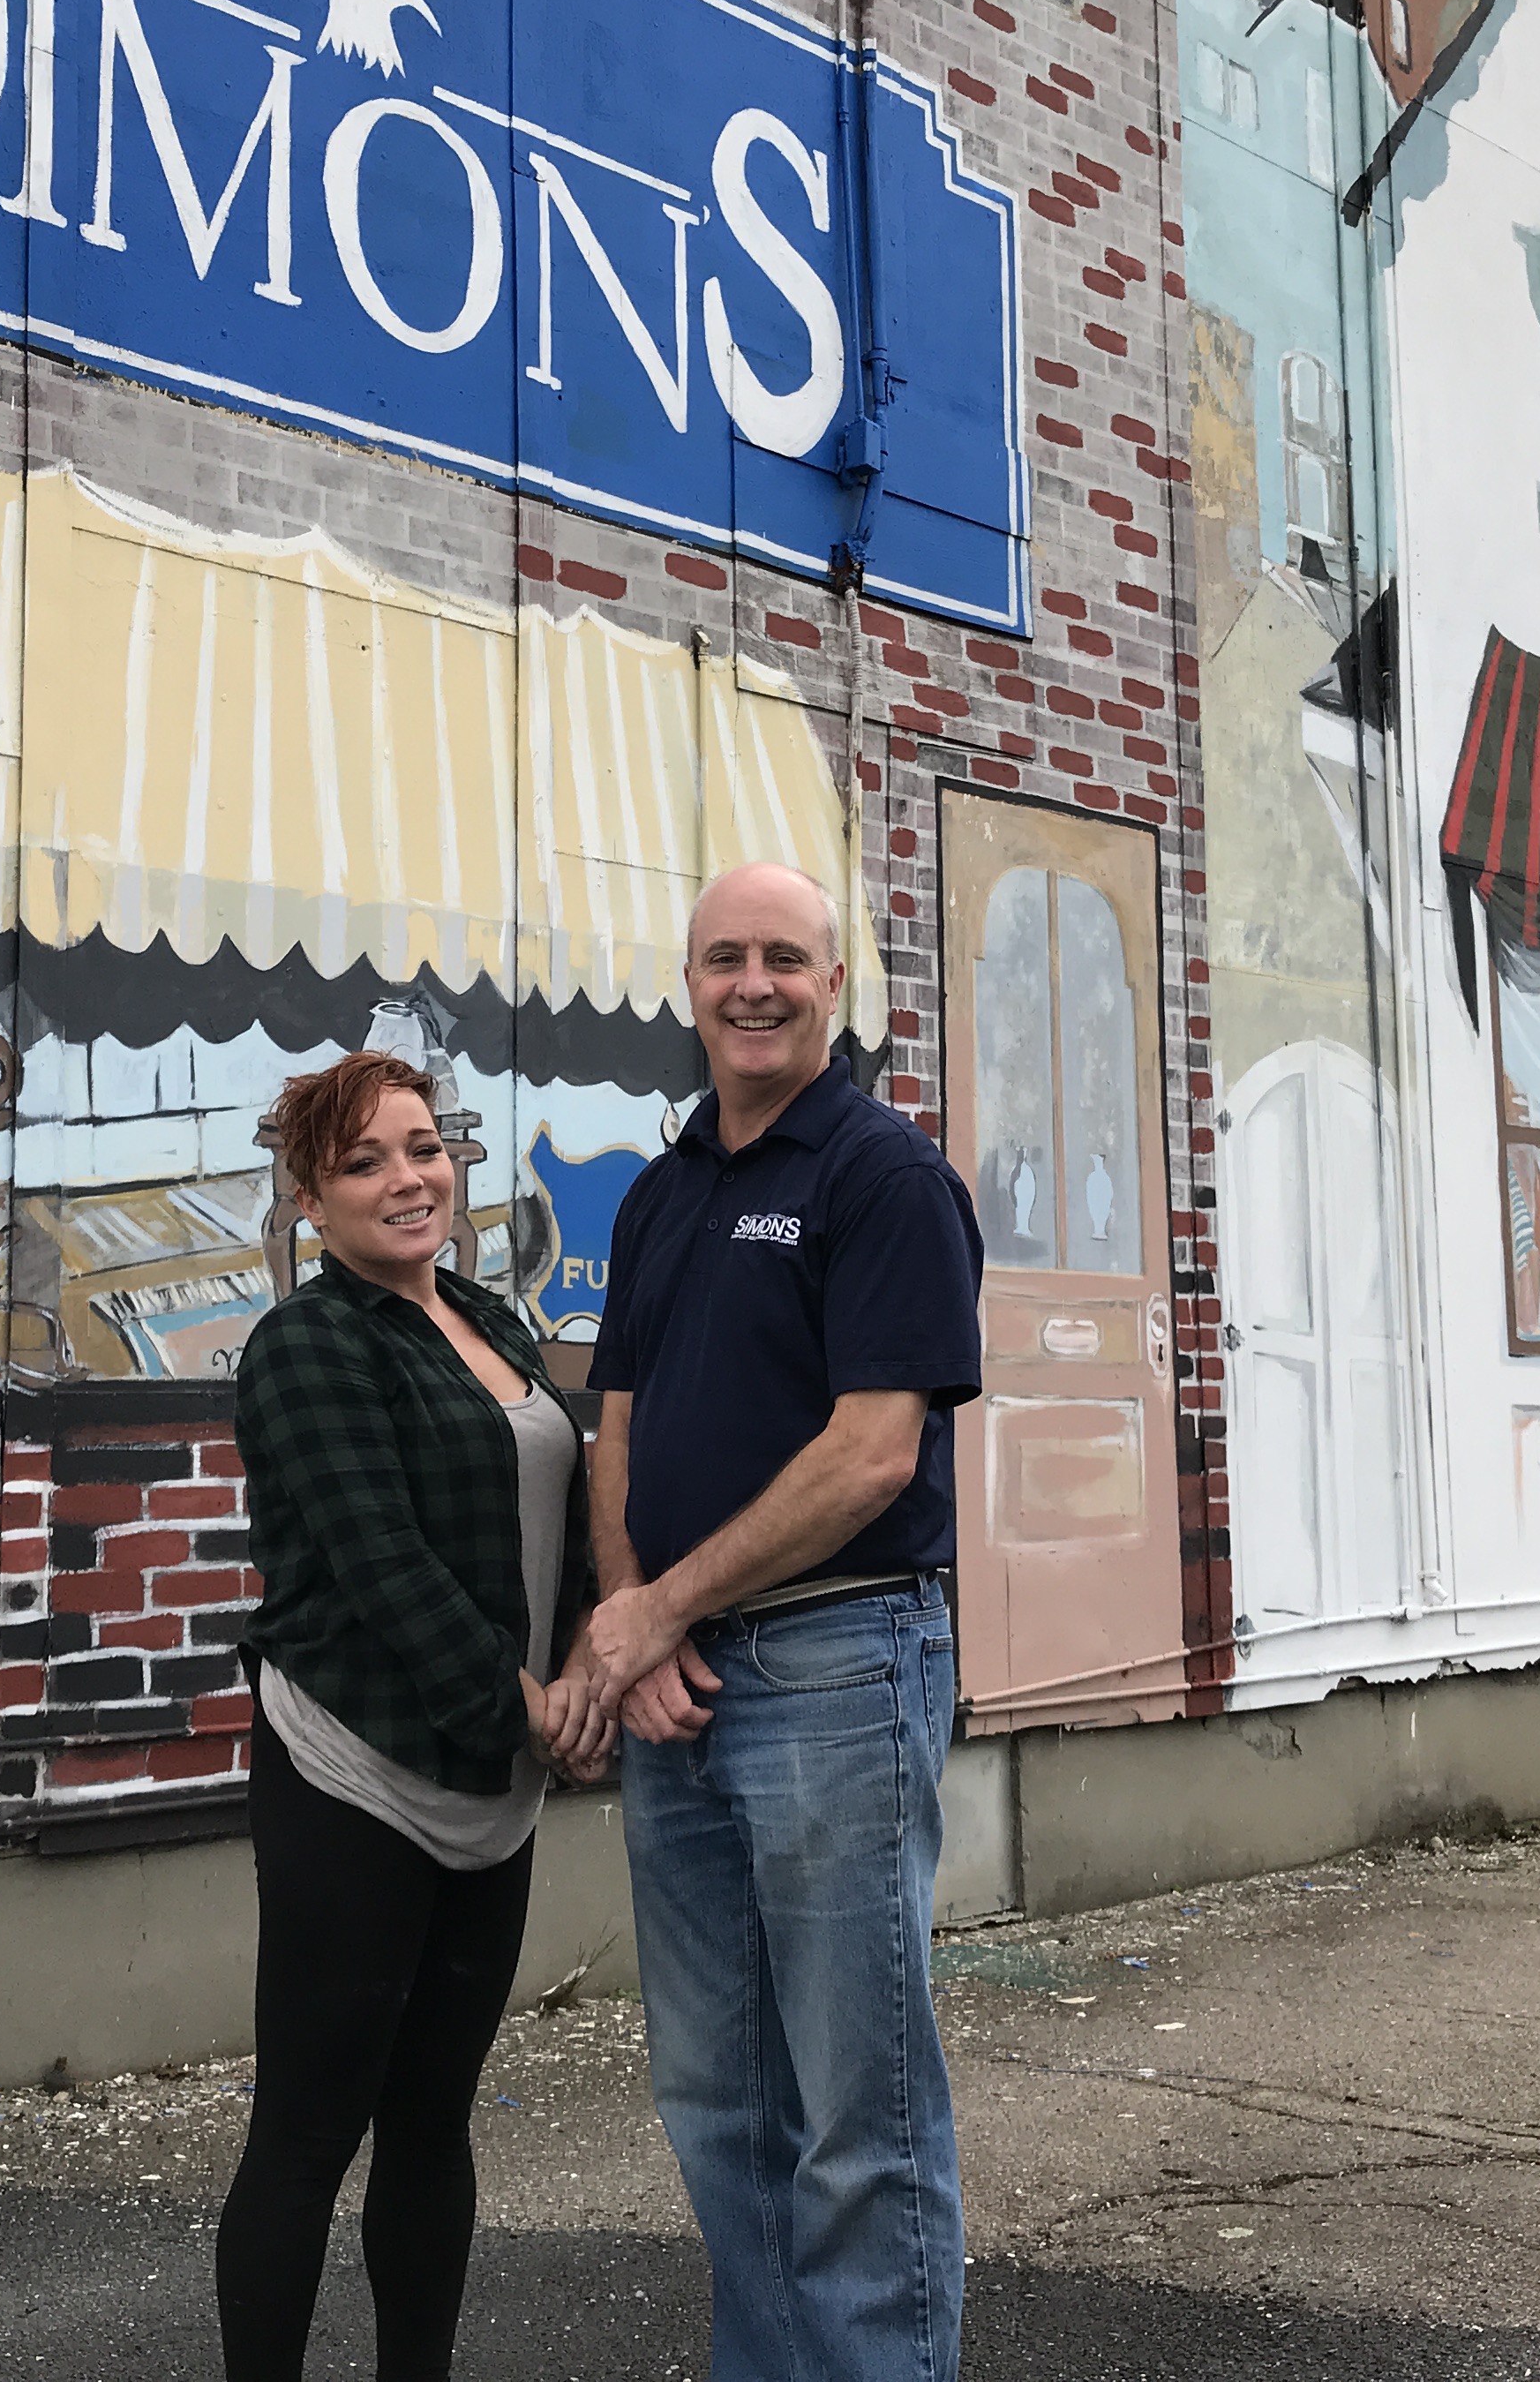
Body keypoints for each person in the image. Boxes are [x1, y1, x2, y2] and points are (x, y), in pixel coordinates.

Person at [577, 860, 987, 2382]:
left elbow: (873, 1452)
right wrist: (631, 1620)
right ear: (688, 986)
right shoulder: (662, 1193)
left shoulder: (883, 1180)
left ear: (838, 985)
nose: (753, 985)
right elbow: (617, 1430)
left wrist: (661, 1609)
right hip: (676, 1685)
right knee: (717, 2101)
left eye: (785, 961)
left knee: (855, 2116)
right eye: (723, 959)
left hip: (834, 1665)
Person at [215, 1050, 612, 2382]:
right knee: (309, 2131)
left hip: (491, 1781)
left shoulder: (491, 1322)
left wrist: (589, 1666)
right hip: (357, 1772)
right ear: (309, 1201)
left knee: (435, 2120)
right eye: (364, 1161)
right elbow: (383, 1566)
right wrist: (536, 1709)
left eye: (425, 1147)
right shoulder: (305, 1346)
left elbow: (562, 1514)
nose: (408, 1178)